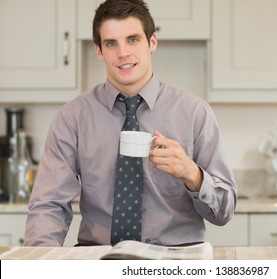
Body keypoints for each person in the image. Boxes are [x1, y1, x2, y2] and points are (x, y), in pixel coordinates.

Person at [24, 0, 237, 246]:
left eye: (133, 39)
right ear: (99, 51)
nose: (123, 52)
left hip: (176, 260)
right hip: (99, 258)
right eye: (111, 43)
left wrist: (192, 174)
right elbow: (48, 205)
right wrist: (39, 265)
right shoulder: (72, 118)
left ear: (152, 42)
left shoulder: (195, 114)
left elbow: (224, 212)